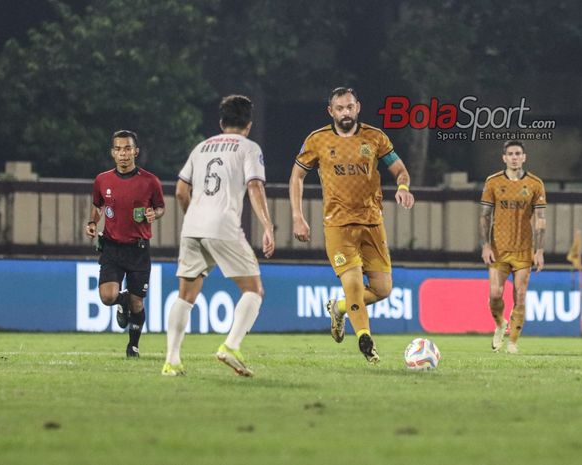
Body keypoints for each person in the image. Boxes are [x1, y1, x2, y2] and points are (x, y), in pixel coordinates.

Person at [289, 87, 415, 364]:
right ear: (331, 112)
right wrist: (298, 216)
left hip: (372, 223)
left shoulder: (375, 137)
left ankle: (340, 308)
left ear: (358, 107)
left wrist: (403, 186)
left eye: (349, 107)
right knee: (354, 284)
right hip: (338, 226)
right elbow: (297, 176)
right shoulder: (317, 140)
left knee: (383, 290)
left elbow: (400, 170)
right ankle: (364, 339)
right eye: (340, 108)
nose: (345, 112)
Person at [162, 95, 275, 377]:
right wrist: (268, 226)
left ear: (221, 122)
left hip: (192, 227)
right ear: (248, 124)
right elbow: (255, 186)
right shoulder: (249, 148)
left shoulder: (201, 148)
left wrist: (193, 216)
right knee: (253, 289)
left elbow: (179, 190)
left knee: (185, 296)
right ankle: (231, 346)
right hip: (223, 225)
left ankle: (171, 361)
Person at [86, 129, 165, 358]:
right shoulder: (102, 179)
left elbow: (160, 207)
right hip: (112, 247)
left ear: (136, 152)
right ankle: (122, 302)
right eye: (119, 149)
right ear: (113, 153)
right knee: (107, 296)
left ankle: (133, 346)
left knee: (138, 304)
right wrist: (92, 222)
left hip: (138, 249)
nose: (123, 153)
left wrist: (154, 214)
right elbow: (98, 205)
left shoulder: (150, 181)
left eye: (128, 148)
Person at [480, 140, 546, 354]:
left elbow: (540, 219)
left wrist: (540, 250)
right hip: (499, 248)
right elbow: (484, 216)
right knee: (495, 294)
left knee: (520, 294)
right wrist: (485, 245)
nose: (515, 157)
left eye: (518, 153)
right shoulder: (493, 182)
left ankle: (513, 343)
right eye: (511, 154)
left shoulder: (535, 184)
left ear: (524, 157)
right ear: (504, 158)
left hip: (524, 249)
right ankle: (500, 324)